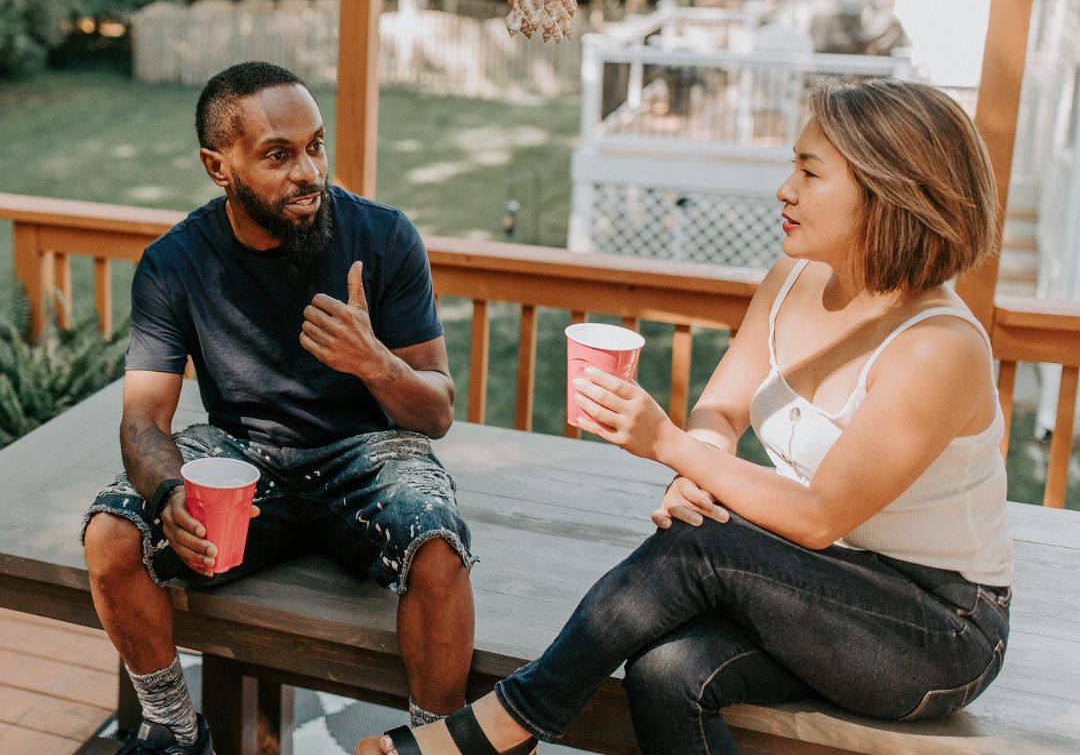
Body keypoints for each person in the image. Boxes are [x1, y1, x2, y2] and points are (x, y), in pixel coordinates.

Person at [358, 77, 1013, 755]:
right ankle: (506, 729)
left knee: (705, 544)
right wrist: (702, 460)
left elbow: (821, 514)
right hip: (820, 588)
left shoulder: (939, 347)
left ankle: (505, 725)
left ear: (888, 190)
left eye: (810, 172)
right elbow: (723, 409)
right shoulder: (794, 280)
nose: (784, 188)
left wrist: (670, 446)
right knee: (668, 672)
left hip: (938, 630)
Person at [81, 61, 476, 755]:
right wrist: (169, 491)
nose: (309, 171)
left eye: (315, 146)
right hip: (243, 459)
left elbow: (437, 413)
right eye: (278, 154)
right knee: (110, 536)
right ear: (217, 166)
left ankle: (433, 745)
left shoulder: (384, 238)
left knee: (439, 549)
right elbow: (144, 420)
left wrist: (374, 363)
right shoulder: (174, 263)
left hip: (369, 453)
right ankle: (174, 730)